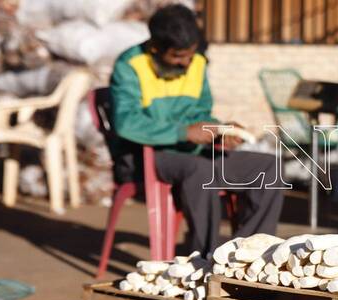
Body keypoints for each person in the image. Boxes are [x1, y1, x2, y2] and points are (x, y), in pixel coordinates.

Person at [109, 4, 284, 255]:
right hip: (145, 156)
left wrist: (219, 130)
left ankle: (245, 255)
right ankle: (206, 258)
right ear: (155, 48)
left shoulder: (197, 62)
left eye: (189, 55)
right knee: (200, 171)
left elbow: (201, 113)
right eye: (178, 57)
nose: (186, 62)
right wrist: (183, 132)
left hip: (192, 152)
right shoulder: (130, 65)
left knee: (269, 167)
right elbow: (127, 123)